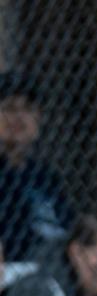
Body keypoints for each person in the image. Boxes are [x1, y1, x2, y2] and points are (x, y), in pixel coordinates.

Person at [0, 72, 75, 263]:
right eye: (9, 108)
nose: (19, 118)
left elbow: (70, 226)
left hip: (56, 268)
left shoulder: (45, 176)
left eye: (27, 109)